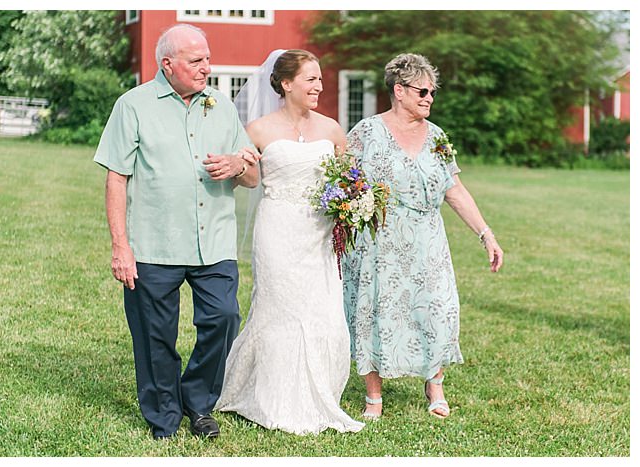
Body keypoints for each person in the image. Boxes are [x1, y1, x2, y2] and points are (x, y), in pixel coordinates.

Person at [93, 24, 260, 440]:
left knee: (224, 318)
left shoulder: (221, 105)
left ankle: (198, 402)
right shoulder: (132, 106)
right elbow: (117, 178)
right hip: (154, 242)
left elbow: (252, 175)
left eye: (207, 57)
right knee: (154, 335)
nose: (208, 66)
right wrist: (121, 247)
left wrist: (239, 166)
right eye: (196, 60)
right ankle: (164, 415)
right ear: (167, 64)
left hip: (215, 241)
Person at [343, 53, 504, 420]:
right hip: (378, 244)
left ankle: (435, 385)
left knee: (438, 310)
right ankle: (373, 395)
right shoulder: (365, 133)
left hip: (428, 240)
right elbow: (342, 184)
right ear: (399, 91)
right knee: (375, 312)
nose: (429, 98)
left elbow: (455, 190)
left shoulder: (437, 137)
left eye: (432, 92)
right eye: (422, 91)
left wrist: (486, 234)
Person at [214, 49, 365, 435]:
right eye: (311, 79)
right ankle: (269, 395)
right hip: (278, 227)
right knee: (280, 308)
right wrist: (241, 163)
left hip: (320, 233)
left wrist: (357, 202)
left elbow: (349, 180)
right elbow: (245, 181)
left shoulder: (332, 129)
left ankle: (320, 393)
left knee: (322, 310)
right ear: (286, 83)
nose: (320, 85)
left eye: (320, 79)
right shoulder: (259, 129)